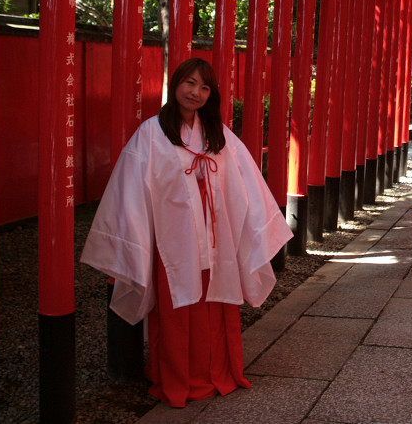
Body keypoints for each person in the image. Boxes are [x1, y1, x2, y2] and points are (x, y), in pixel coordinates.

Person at [81, 57, 292, 407]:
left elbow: (245, 182)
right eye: (190, 83)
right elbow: (130, 189)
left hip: (217, 238)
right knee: (177, 307)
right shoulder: (151, 133)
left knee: (216, 304)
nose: (196, 92)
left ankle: (218, 371)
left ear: (211, 94)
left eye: (204, 87)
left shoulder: (218, 134)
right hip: (173, 239)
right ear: (176, 84)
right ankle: (177, 376)